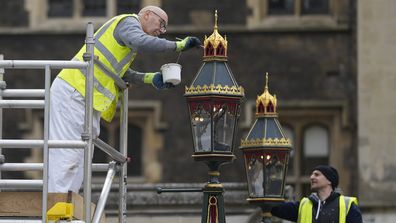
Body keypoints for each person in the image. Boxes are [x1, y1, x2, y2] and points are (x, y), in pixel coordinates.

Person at [48, 5, 201, 193]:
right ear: (146, 15)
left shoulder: (128, 39)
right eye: (161, 24)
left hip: (84, 97)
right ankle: (57, 210)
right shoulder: (128, 23)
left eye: (164, 28)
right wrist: (178, 45)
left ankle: (68, 208)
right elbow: (142, 42)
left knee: (81, 156)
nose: (161, 32)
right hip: (74, 91)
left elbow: (121, 72)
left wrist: (150, 78)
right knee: (68, 154)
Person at [271, 165, 363, 223]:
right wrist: (271, 181)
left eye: (317, 174)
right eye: (312, 174)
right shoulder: (303, 205)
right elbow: (275, 208)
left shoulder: (348, 206)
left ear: (329, 180)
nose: (311, 177)